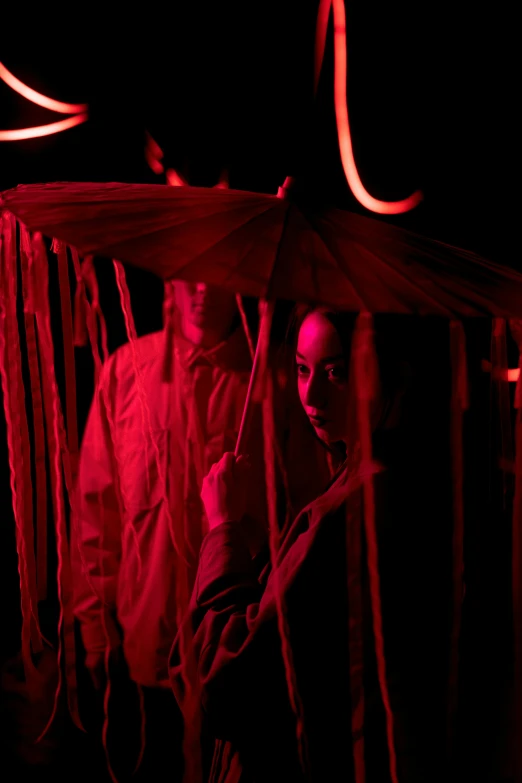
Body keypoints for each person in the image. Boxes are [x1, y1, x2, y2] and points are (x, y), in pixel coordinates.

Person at [169, 306, 434, 783]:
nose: (312, 395)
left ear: (396, 375)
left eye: (336, 373)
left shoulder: (354, 506)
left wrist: (222, 527)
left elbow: (225, 679)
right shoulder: (362, 480)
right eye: (302, 369)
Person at [72, 281, 259, 781]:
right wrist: (94, 631)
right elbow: (97, 509)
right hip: (145, 650)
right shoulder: (126, 370)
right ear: (170, 280)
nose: (203, 286)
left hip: (235, 656)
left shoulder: (271, 381)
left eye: (218, 271)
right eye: (189, 271)